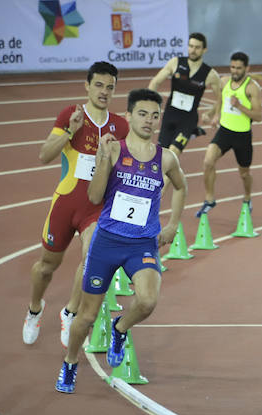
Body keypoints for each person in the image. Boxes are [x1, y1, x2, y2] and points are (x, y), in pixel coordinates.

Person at [54, 89, 187, 394]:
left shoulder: (166, 158)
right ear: (128, 116)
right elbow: (94, 196)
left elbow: (181, 187)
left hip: (141, 244)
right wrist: (102, 158)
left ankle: (120, 328)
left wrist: (173, 224)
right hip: (107, 242)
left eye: (155, 115)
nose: (149, 121)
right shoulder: (115, 150)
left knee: (148, 301)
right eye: (142, 114)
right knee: (86, 315)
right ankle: (70, 361)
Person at [24, 61, 130, 348]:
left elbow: (126, 168)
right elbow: (44, 155)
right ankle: (35, 308)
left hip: (96, 207)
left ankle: (69, 311)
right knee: (46, 267)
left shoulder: (120, 125)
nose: (104, 91)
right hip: (65, 203)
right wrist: (71, 131)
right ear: (87, 85)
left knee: (92, 257)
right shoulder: (70, 115)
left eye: (110, 87)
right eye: (98, 85)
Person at [196, 51, 262, 217]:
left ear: (247, 68)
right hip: (224, 131)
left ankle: (247, 198)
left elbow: (259, 116)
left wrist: (240, 106)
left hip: (242, 136)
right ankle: (209, 199)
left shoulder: (251, 88)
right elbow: (221, 100)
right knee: (208, 161)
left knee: (244, 174)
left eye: (239, 68)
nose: (234, 71)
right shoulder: (224, 81)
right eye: (232, 67)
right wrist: (215, 114)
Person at [148, 32, 220, 157]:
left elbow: (221, 97)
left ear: (204, 50)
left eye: (197, 48)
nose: (193, 50)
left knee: (173, 153)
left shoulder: (210, 74)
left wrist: (212, 113)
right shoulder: (175, 63)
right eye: (191, 46)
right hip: (169, 116)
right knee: (160, 156)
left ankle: (191, 131)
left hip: (188, 120)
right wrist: (151, 106)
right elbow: (155, 82)